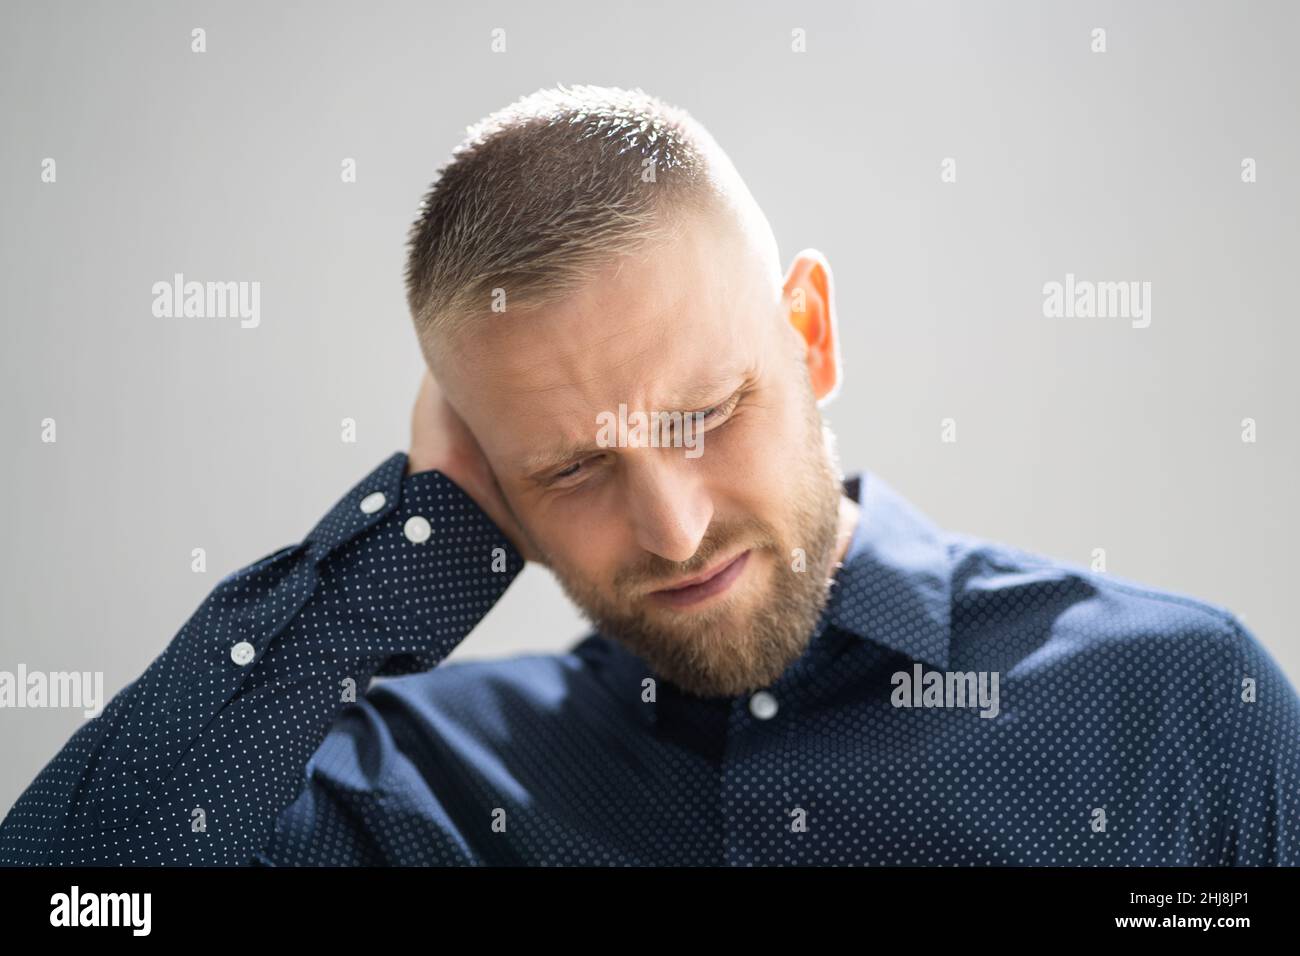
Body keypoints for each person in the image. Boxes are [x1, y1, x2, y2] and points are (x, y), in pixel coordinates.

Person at [2, 85, 1296, 866]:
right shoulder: (416, 794)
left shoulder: (1181, 710)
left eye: (704, 415)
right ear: (486, 476)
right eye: (570, 466)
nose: (672, 531)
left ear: (812, 334)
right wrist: (397, 561)